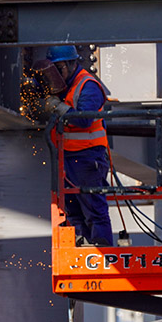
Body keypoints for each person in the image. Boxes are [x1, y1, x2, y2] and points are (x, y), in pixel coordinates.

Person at [44, 45, 114, 247]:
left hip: (87, 157)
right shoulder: (66, 86)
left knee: (93, 209)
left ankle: (102, 250)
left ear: (71, 63)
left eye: (58, 69)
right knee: (72, 210)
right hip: (68, 158)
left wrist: (58, 107)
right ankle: (82, 249)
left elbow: (84, 119)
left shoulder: (88, 85)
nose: (55, 75)